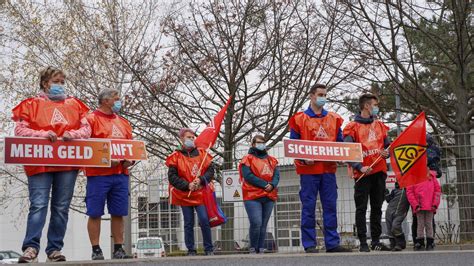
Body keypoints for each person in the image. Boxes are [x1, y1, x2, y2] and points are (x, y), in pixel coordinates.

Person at [12, 67, 91, 263]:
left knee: (61, 207)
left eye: (63, 82)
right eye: (57, 81)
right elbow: (20, 130)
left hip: (67, 163)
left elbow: (86, 128)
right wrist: (43, 134)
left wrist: (72, 135)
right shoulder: (30, 105)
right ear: (46, 83)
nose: (60, 85)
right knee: (38, 205)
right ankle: (31, 248)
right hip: (40, 162)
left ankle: (54, 249)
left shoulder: (75, 105)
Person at [288, 83, 351, 253]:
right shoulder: (299, 119)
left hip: (328, 170)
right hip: (308, 172)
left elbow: (339, 143)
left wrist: (342, 157)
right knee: (308, 207)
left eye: (325, 94)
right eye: (320, 94)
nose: (323, 97)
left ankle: (332, 243)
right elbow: (293, 145)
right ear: (311, 95)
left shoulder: (334, 118)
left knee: (330, 206)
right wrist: (303, 157)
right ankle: (309, 244)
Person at [84, 89, 134, 260]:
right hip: (98, 175)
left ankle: (118, 249)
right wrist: (105, 160)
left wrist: (130, 161)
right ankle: (96, 249)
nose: (120, 102)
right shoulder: (91, 119)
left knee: (119, 212)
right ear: (105, 101)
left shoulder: (124, 123)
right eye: (116, 99)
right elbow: (85, 147)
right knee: (95, 212)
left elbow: (131, 148)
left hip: (120, 174)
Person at [343, 93, 391, 252]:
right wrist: (359, 166)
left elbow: (388, 146)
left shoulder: (380, 126)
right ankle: (363, 242)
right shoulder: (351, 127)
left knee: (377, 207)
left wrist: (387, 153)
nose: (377, 108)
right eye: (375, 105)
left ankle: (376, 240)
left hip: (379, 172)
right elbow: (347, 151)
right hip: (362, 174)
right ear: (366, 106)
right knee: (361, 208)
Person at [165, 128, 215, 256]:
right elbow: (172, 177)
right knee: (188, 223)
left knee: (204, 219)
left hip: (200, 193)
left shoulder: (202, 154)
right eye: (188, 137)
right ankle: (191, 250)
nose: (191, 140)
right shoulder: (175, 157)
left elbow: (210, 171)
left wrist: (201, 180)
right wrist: (187, 185)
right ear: (182, 139)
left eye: (193, 137)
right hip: (184, 195)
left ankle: (209, 249)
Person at [239, 135, 279, 254]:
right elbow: (248, 176)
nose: (261, 144)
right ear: (253, 144)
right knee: (256, 222)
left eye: (263, 142)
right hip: (252, 196)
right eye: (258, 142)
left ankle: (260, 248)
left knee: (263, 224)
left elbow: (276, 175)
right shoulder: (247, 159)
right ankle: (253, 248)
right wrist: (265, 184)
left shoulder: (272, 160)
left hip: (269, 195)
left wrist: (272, 185)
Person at [411, 133, 442, 243]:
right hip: (417, 185)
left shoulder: (432, 150)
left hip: (427, 183)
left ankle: (429, 240)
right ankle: (419, 241)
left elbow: (437, 191)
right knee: (419, 220)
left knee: (427, 221)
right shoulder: (415, 149)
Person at [406, 169, 441, 251]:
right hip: (420, 206)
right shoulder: (413, 178)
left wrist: (435, 204)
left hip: (429, 206)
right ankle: (421, 243)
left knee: (428, 224)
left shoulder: (432, 177)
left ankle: (429, 243)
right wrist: (415, 205)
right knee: (420, 224)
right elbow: (409, 192)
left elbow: (437, 191)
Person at [384, 182, 409, 251]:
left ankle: (401, 243)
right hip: (390, 211)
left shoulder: (408, 190)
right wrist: (386, 193)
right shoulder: (394, 190)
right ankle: (393, 244)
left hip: (400, 212)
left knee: (395, 226)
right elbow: (388, 199)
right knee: (389, 228)